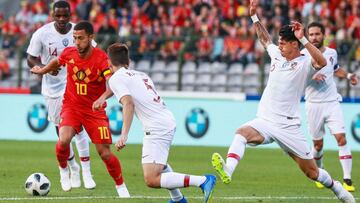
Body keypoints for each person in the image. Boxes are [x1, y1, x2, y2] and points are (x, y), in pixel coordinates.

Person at [210, 0, 355, 203]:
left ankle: (339, 190)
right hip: (266, 120)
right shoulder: (277, 54)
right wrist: (254, 17)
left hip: (288, 126)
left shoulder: (305, 62)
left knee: (312, 173)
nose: (279, 46)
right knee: (241, 133)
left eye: (283, 43)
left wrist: (304, 38)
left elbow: (322, 62)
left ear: (294, 44)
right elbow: (264, 39)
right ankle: (228, 170)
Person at [105, 43, 216, 203]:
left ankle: (203, 181)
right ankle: (178, 199)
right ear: (128, 61)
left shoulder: (116, 79)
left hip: (157, 126)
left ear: (109, 63)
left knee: (151, 178)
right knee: (159, 164)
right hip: (165, 119)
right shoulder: (141, 75)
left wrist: (124, 134)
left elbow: (128, 103)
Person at [30, 21, 130, 197]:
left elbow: (112, 84)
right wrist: (43, 71)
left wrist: (101, 98)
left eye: (81, 38)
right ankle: (64, 171)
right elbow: (57, 62)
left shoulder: (101, 59)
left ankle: (121, 187)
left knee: (104, 153)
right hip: (72, 106)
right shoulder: (69, 53)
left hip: (94, 111)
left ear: (91, 38)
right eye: (74, 38)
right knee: (63, 139)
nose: (77, 42)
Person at [26, 1, 95, 190]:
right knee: (61, 131)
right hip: (53, 89)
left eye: (65, 16)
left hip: (75, 85)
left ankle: (86, 171)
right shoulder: (42, 34)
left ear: (70, 15)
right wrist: (42, 68)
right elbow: (30, 57)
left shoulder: (78, 32)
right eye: (58, 16)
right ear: (52, 15)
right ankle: (72, 165)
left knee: (78, 126)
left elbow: (93, 52)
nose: (62, 19)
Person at [303, 22, 358, 192]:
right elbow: (297, 80)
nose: (314, 37)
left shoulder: (332, 53)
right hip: (313, 105)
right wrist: (312, 78)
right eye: (311, 34)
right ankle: (320, 174)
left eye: (317, 34)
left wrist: (348, 75)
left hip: (332, 102)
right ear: (307, 36)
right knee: (317, 145)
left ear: (324, 35)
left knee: (341, 138)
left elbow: (335, 69)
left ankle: (347, 180)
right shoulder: (303, 55)